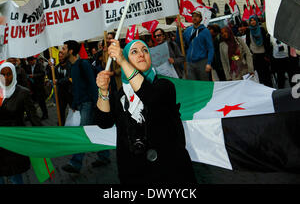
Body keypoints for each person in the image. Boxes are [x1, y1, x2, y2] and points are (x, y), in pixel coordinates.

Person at [95, 39, 197, 185]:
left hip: (169, 171)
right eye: (134, 52)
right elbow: (103, 122)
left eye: (145, 50)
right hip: (134, 172)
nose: (141, 54)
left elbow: (149, 96)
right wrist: (103, 91)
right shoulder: (121, 95)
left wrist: (124, 62)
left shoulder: (164, 85)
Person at [61, 40, 110, 174]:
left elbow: (93, 85)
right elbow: (76, 87)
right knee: (94, 131)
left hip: (89, 103)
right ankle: (104, 155)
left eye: (64, 49)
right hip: (81, 104)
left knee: (83, 133)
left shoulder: (83, 64)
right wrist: (75, 104)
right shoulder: (72, 66)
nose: (62, 51)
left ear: (71, 51)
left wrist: (98, 104)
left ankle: (75, 163)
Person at [0, 62, 41, 184]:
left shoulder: (23, 93)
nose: (6, 78)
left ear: (14, 74)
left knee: (15, 176)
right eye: (2, 74)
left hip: (15, 141)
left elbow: (34, 118)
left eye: (9, 74)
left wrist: (45, 136)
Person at [177, 9, 214, 81]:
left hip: (202, 62)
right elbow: (179, 42)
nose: (194, 18)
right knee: (193, 84)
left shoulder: (205, 31)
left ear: (201, 19)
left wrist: (209, 63)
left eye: (197, 16)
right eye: (193, 16)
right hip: (189, 63)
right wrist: (178, 29)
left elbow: (210, 48)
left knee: (204, 84)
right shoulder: (188, 30)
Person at [245, 15, 273, 87]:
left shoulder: (261, 29)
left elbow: (266, 43)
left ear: (257, 21)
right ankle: (263, 88)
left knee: (267, 74)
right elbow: (248, 43)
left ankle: (270, 88)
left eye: (254, 20)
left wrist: (267, 55)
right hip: (255, 56)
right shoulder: (248, 31)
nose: (253, 22)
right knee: (259, 74)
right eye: (251, 20)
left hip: (263, 55)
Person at [53, 50, 73, 125]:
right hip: (61, 93)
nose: (60, 58)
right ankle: (61, 123)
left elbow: (69, 78)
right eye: (59, 57)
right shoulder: (56, 67)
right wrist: (50, 66)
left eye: (62, 56)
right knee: (61, 110)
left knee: (73, 109)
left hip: (70, 92)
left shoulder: (70, 65)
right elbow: (51, 75)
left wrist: (58, 81)